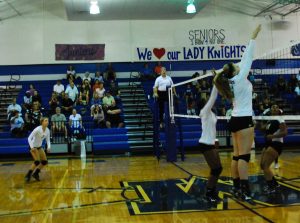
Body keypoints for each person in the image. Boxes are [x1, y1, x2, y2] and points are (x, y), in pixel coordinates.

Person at [213, 25, 261, 204]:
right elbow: (248, 54)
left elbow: (238, 63)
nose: (237, 64)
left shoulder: (230, 80)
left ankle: (236, 187)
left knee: (236, 155)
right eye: (235, 64)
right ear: (235, 70)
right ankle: (245, 191)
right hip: (244, 119)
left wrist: (221, 70)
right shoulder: (240, 76)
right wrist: (254, 35)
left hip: (234, 119)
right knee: (244, 157)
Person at [198, 78, 223, 203]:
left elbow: (212, 128)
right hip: (205, 144)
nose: (207, 100)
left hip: (211, 143)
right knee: (216, 169)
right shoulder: (204, 112)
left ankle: (212, 191)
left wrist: (216, 140)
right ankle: (208, 193)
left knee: (218, 169)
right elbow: (213, 98)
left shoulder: (212, 113)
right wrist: (216, 83)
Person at [260, 104, 287, 194]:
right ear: (270, 110)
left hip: (276, 144)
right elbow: (262, 128)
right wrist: (260, 121)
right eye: (273, 107)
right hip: (268, 144)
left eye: (276, 107)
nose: (275, 108)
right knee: (262, 165)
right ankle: (274, 184)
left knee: (265, 166)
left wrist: (273, 136)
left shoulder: (280, 119)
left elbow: (284, 132)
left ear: (279, 109)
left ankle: (271, 187)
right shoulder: (270, 120)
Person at [25, 117, 51, 182]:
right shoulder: (37, 129)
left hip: (39, 147)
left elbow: (48, 140)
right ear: (42, 122)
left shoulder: (47, 130)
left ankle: (36, 173)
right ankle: (28, 175)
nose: (47, 122)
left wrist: (49, 147)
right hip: (33, 147)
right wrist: (32, 147)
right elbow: (29, 138)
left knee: (44, 162)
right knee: (37, 162)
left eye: (47, 121)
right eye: (46, 121)